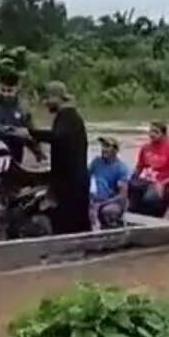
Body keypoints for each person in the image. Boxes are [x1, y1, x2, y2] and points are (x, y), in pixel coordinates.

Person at [28, 81, 90, 235]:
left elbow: (58, 137)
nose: (46, 103)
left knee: (69, 224)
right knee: (73, 223)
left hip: (71, 181)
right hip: (72, 179)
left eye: (48, 99)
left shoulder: (68, 117)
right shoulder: (69, 116)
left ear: (57, 99)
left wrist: (31, 134)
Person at [129, 121, 169, 218]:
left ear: (163, 134)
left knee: (150, 197)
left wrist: (164, 183)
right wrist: (131, 180)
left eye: (155, 132)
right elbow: (139, 167)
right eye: (150, 131)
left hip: (164, 185)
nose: (152, 134)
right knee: (131, 188)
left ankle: (149, 219)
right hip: (147, 182)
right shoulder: (145, 148)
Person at [89, 136, 131, 229]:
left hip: (113, 202)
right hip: (95, 199)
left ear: (115, 150)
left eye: (107, 146)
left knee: (107, 211)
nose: (103, 149)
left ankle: (113, 229)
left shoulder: (121, 168)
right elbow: (87, 179)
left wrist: (101, 204)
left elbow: (122, 196)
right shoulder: (96, 162)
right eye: (103, 146)